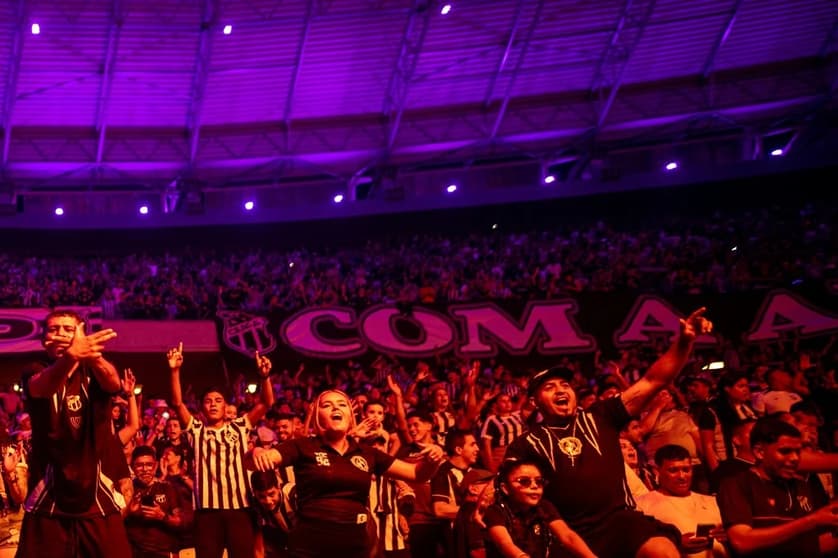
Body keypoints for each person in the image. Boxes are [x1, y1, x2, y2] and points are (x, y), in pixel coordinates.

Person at [504, 307, 713, 558]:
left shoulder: (602, 415)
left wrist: (684, 342)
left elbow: (652, 381)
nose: (560, 390)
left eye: (565, 385)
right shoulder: (526, 444)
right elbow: (508, 491)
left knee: (664, 552)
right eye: (549, 387)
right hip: (565, 532)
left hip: (619, 521)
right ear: (534, 402)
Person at [248, 389, 447, 558]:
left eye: (342, 404)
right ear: (317, 416)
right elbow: (252, 462)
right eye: (327, 405)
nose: (335, 408)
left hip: (355, 544)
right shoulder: (303, 446)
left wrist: (433, 460)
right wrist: (256, 452)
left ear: (351, 416)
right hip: (310, 545)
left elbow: (417, 474)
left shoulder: (367, 453)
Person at [16, 310, 131, 557]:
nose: (61, 334)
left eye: (69, 330)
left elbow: (113, 383)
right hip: (48, 490)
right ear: (43, 339)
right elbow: (41, 388)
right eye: (54, 329)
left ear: (81, 335)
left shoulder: (95, 369)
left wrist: (91, 356)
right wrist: (71, 356)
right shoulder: (35, 369)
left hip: (97, 488)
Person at [168, 342, 275, 558]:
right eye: (208, 401)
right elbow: (177, 403)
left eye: (218, 401)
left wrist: (264, 377)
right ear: (202, 407)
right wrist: (175, 371)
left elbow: (266, 403)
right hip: (207, 513)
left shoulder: (240, 426)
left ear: (226, 407)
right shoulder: (196, 430)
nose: (213, 404)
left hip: (240, 509)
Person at [716, 417, 838, 557]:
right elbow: (742, 541)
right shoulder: (737, 484)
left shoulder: (801, 486)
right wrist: (811, 520)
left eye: (798, 452)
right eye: (785, 451)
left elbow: (813, 546)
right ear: (760, 452)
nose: (795, 458)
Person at [483, 459, 596, 558]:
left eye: (539, 481)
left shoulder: (544, 506)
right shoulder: (496, 511)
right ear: (505, 488)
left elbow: (567, 536)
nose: (534, 486)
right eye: (524, 481)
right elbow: (504, 543)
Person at [635, 445, 728, 557]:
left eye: (686, 470)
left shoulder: (713, 502)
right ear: (657, 471)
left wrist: (728, 536)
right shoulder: (642, 505)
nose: (682, 476)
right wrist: (675, 544)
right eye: (673, 470)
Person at [124, 445, 193, 558]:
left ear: (155, 466)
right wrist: (128, 512)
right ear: (132, 467)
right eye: (139, 465)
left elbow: (181, 523)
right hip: (135, 553)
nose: (145, 469)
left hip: (164, 552)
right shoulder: (127, 490)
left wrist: (162, 516)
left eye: (149, 465)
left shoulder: (168, 488)